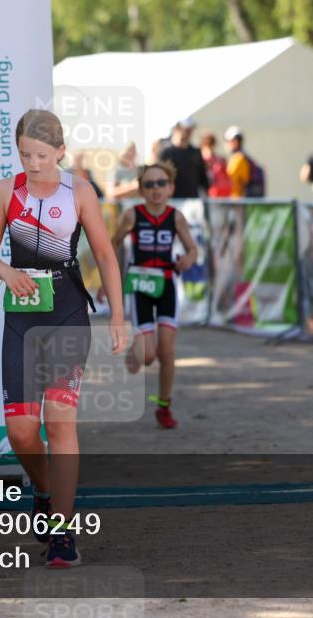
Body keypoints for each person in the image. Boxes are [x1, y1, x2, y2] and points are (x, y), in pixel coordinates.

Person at [0, 109, 126, 568]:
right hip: (21, 317)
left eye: (42, 155)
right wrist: (7, 272)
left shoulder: (79, 191)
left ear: (60, 151)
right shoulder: (6, 191)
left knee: (60, 423)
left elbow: (105, 255)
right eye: (25, 155)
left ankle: (62, 530)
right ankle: (44, 490)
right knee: (21, 430)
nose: (34, 163)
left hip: (67, 314)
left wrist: (119, 318)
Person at [111, 161, 198, 429]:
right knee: (149, 355)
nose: (156, 189)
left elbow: (192, 249)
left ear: (171, 187)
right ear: (141, 190)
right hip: (140, 285)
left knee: (167, 351)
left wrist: (187, 260)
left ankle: (163, 406)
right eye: (149, 184)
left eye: (161, 183)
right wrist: (109, 279)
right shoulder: (132, 215)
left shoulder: (176, 217)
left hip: (167, 285)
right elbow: (114, 243)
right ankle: (136, 353)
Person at [159, 118, 209, 198]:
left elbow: (202, 178)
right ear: (176, 128)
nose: (189, 132)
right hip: (172, 200)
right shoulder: (166, 153)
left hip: (192, 200)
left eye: (191, 129)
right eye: (186, 129)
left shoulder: (196, 152)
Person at [223, 126, 253, 199]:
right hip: (238, 198)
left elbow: (229, 177)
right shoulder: (242, 156)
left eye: (227, 141)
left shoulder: (238, 159)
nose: (226, 144)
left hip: (237, 199)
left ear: (235, 142)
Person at [200, 132, 230, 198]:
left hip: (224, 193)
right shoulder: (200, 160)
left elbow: (227, 176)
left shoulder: (220, 160)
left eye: (211, 145)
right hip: (211, 194)